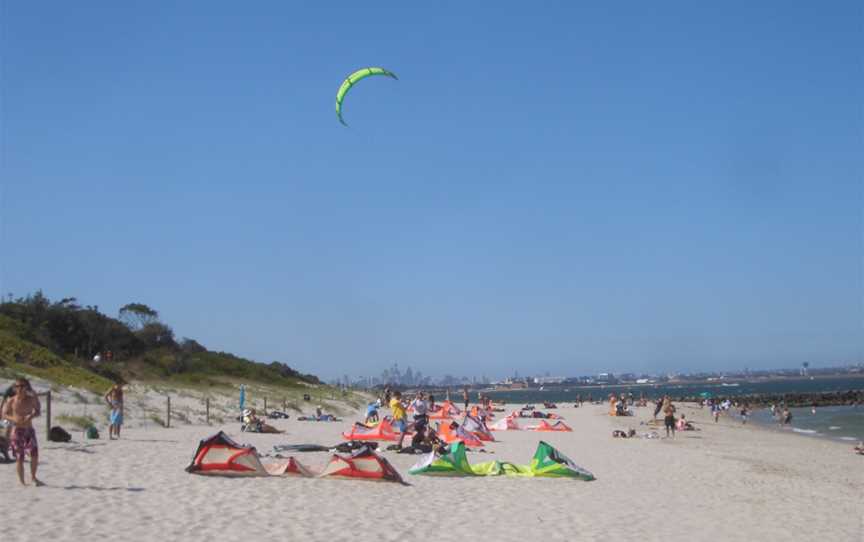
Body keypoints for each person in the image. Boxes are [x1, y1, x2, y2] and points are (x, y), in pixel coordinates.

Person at [1, 378, 43, 486]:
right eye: (17, 386)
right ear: (14, 388)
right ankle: (22, 482)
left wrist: (31, 416)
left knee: (34, 454)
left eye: (22, 386)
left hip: (29, 430)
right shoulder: (12, 400)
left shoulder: (30, 399)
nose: (19, 388)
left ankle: (33, 477)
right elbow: (4, 414)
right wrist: (13, 419)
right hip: (17, 431)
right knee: (20, 457)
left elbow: (38, 411)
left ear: (26, 387)